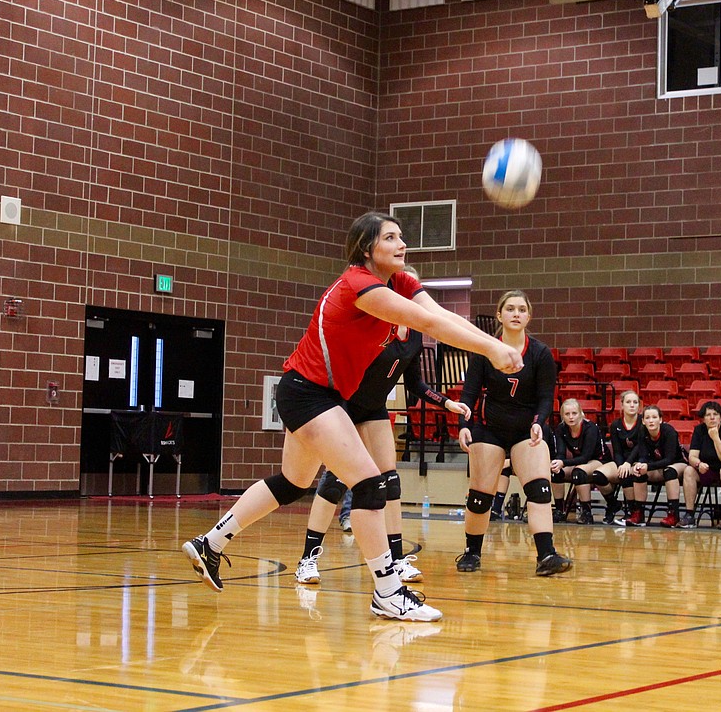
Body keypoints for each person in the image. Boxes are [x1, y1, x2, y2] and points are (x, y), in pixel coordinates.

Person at [181, 212, 521, 623]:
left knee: (292, 484)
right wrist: (490, 351)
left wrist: (492, 343)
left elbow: (443, 316)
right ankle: (388, 591)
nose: (402, 244)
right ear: (367, 248)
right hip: (308, 393)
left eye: (402, 237)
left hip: (312, 393)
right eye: (391, 238)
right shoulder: (361, 285)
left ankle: (210, 544)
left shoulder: (403, 282)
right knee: (369, 485)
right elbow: (428, 323)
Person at [293, 294, 472, 586]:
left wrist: (445, 403)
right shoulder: (374, 328)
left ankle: (398, 560)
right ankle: (308, 559)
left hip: (374, 409)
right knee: (335, 480)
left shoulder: (413, 337)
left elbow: (416, 385)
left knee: (391, 481)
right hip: (346, 405)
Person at [455, 290, 572, 576]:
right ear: (500, 315)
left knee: (540, 490)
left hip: (526, 429)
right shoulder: (486, 350)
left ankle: (546, 555)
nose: (516, 313)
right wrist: (464, 426)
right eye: (510, 309)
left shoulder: (540, 353)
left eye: (521, 309)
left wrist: (538, 421)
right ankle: (471, 552)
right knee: (480, 496)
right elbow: (469, 393)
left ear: (528, 316)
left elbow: (546, 396)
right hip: (490, 429)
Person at [681, 400, 721, 529]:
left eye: (715, 414)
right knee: (689, 470)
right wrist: (698, 464)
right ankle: (689, 515)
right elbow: (692, 456)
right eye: (708, 415)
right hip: (708, 469)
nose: (712, 417)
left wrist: (715, 438)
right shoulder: (699, 430)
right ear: (703, 419)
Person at [627, 404, 686, 526]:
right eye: (647, 418)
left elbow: (669, 459)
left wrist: (648, 466)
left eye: (654, 417)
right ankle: (639, 513)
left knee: (669, 471)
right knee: (638, 471)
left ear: (660, 419)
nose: (651, 420)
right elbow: (643, 455)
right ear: (643, 421)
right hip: (656, 466)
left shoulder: (669, 431)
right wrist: (641, 465)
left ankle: (673, 514)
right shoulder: (642, 431)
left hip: (678, 464)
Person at [550, 398, 604, 524]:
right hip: (578, 462)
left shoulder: (590, 428)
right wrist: (557, 463)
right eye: (567, 414)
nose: (571, 417)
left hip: (598, 460)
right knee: (556, 471)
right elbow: (561, 454)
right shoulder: (561, 428)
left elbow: (585, 457)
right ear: (562, 416)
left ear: (581, 414)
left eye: (574, 413)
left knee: (578, 472)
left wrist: (563, 462)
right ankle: (559, 510)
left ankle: (586, 512)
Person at [597, 389, 642, 524]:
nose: (632, 405)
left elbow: (640, 447)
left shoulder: (643, 422)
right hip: (621, 459)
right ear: (622, 405)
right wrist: (621, 464)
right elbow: (617, 450)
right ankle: (613, 504)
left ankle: (632, 511)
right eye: (628, 402)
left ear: (639, 406)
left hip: (639, 459)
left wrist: (627, 464)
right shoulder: (616, 425)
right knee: (598, 476)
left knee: (626, 474)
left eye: (635, 402)